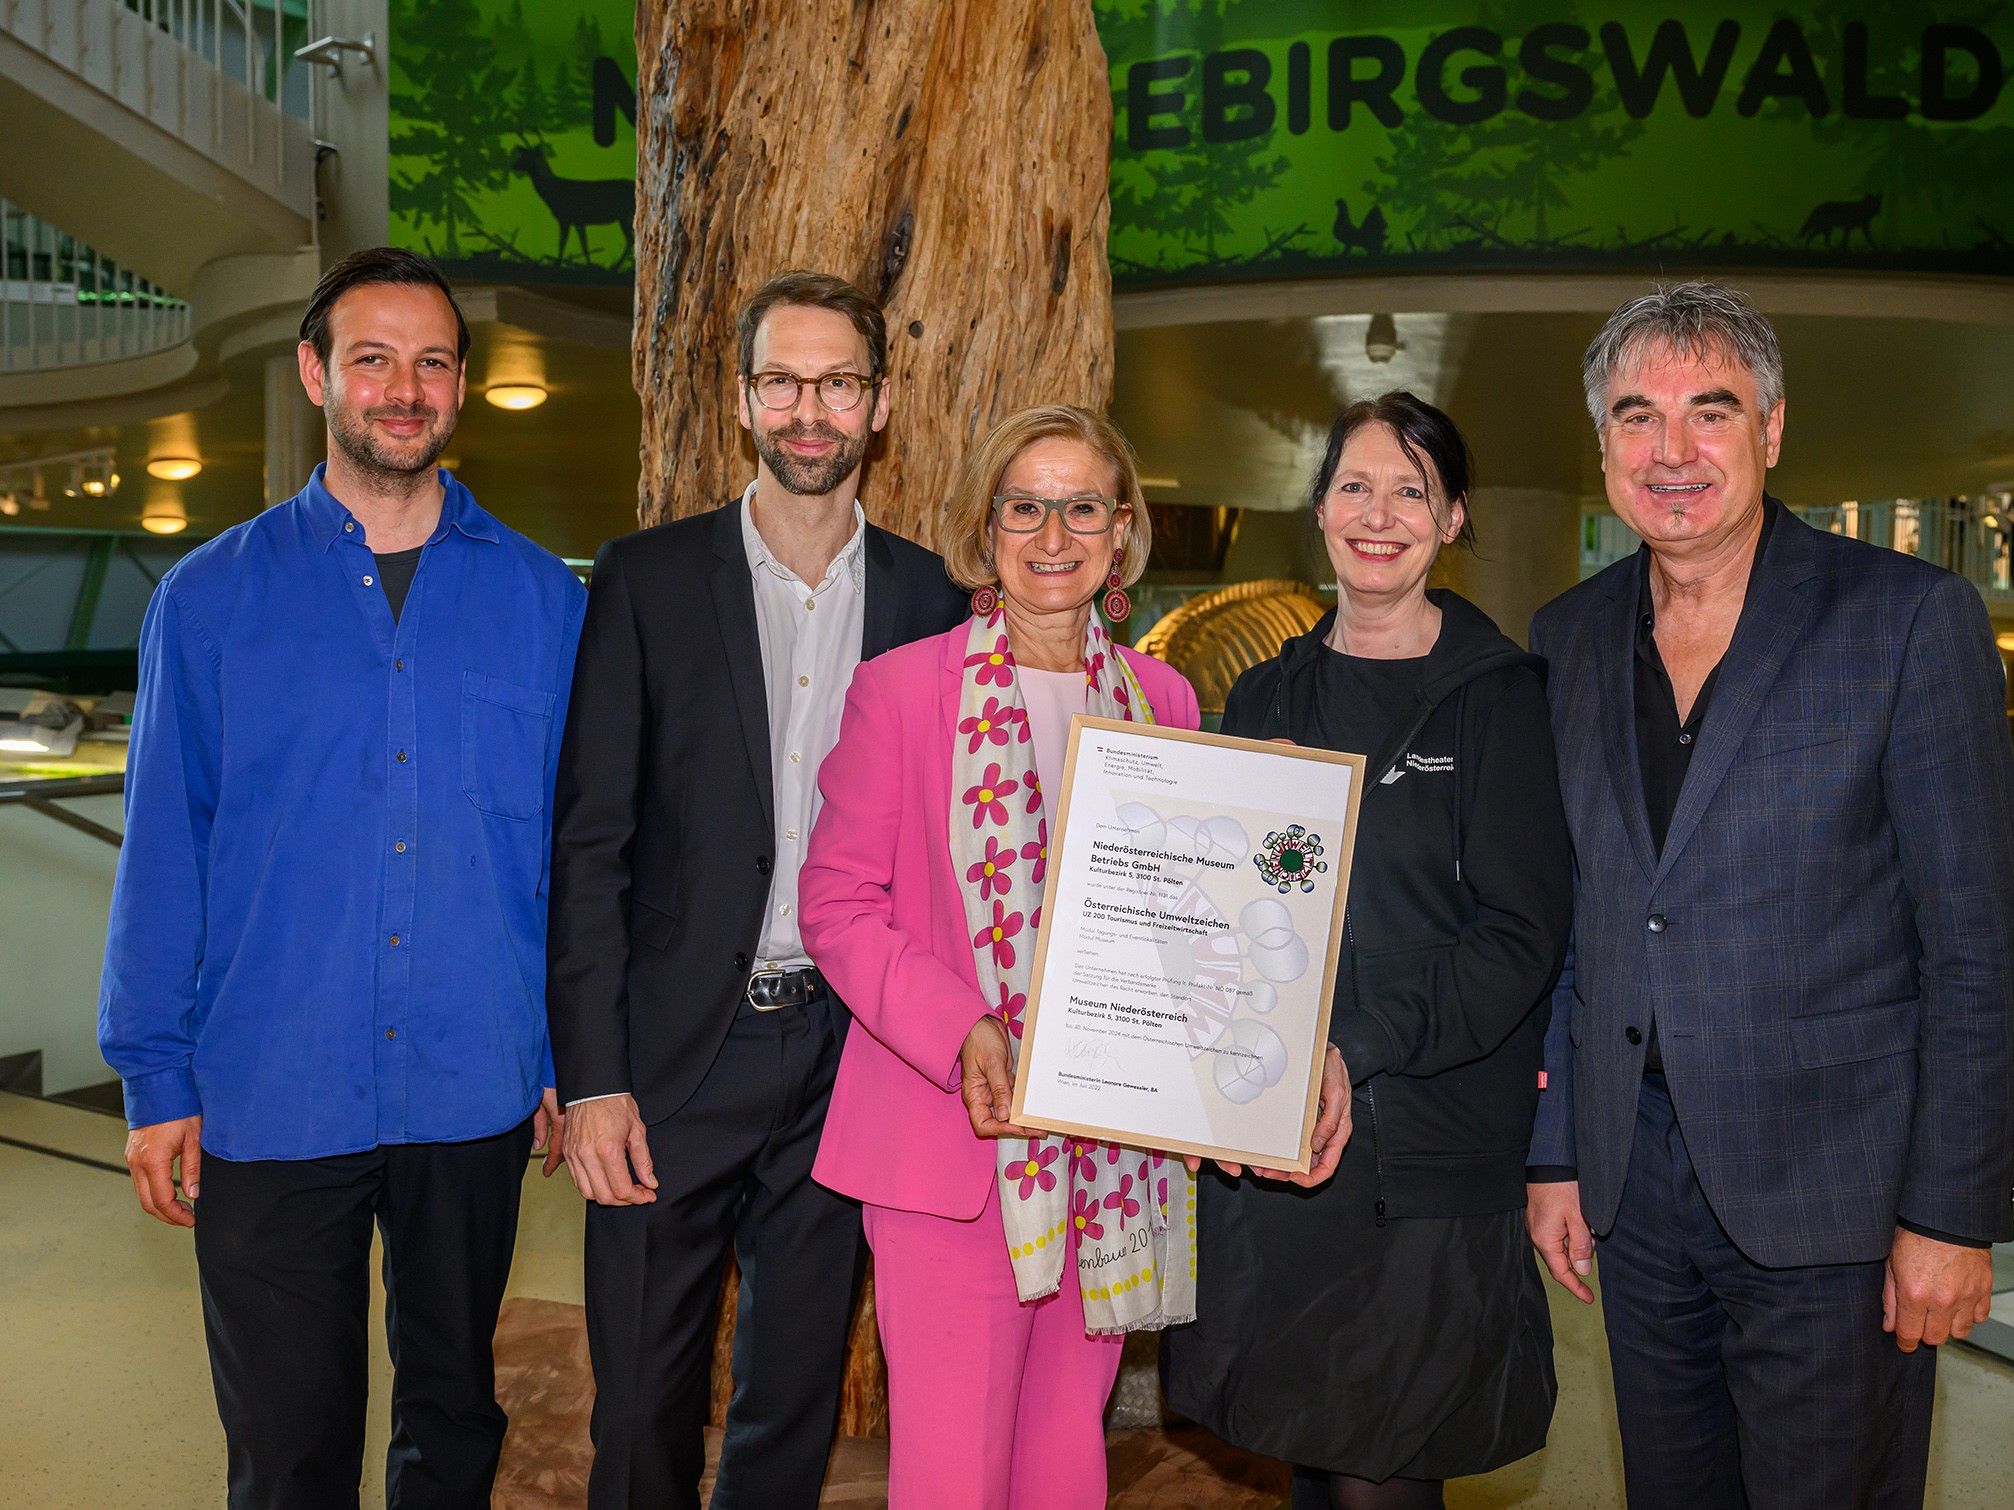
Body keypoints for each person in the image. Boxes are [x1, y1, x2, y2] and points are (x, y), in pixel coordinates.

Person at [1525, 281, 2014, 1509]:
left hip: (1839, 1200)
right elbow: (1573, 923)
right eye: (1636, 416)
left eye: (1709, 411)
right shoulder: (1565, 637)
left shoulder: (1904, 619)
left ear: (1770, 427)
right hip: (1634, 1192)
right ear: (1601, 442)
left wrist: (1949, 1215)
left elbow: (1976, 945)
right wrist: (1554, 1155)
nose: (1672, 450)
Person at [98, 247, 585, 1509]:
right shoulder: (209, 599)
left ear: (460, 387)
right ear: (316, 374)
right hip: (271, 1081)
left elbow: (567, 857)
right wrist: (155, 1075)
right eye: (373, 358)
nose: (403, 389)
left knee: (453, 1416)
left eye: (432, 362)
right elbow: (164, 847)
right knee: (289, 1444)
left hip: (472, 1079)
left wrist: (562, 1051)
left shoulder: (546, 601)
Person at [547, 270, 965, 1508]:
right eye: (781, 382)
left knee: (792, 1401)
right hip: (671, 1057)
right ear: (741, 400)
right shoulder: (644, 578)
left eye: (837, 383)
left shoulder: (930, 599)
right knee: (640, 1405)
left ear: (879, 403)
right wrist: (593, 1079)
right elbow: (589, 844)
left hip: (850, 1055)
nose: (809, 411)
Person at [801, 405, 1236, 1509]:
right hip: (951, 1143)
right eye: (1024, 507)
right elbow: (836, 905)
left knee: (1064, 1465)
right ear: (985, 527)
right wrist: (963, 1028)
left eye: (1082, 506)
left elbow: (1188, 920)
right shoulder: (903, 689)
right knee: (953, 1473)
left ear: (1122, 529)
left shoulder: (1165, 701)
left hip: (1106, 1152)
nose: (1053, 535)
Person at [1162, 393, 1572, 1510]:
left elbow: (1519, 937)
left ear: (1452, 518)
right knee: (1306, 1460)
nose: (1378, 514)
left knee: (1377, 1478)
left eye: (1410, 491)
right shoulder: (1267, 692)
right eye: (1354, 486)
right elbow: (1225, 917)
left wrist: (1350, 1048)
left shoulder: (1499, 699)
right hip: (1283, 1146)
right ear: (1319, 507)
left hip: (1424, 1154)